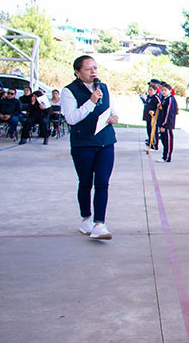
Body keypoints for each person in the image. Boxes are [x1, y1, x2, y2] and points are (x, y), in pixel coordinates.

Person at [61, 55, 119, 240]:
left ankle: (100, 224)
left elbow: (111, 107)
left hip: (106, 141)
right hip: (83, 143)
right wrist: (91, 102)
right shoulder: (68, 91)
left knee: (102, 181)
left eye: (95, 67)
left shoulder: (103, 87)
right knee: (86, 182)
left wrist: (114, 115)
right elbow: (71, 118)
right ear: (77, 73)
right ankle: (86, 218)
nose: (93, 71)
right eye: (88, 69)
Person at [157, 82, 178, 163]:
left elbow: (169, 113)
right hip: (162, 122)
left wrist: (164, 125)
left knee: (168, 141)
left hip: (167, 124)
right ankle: (164, 156)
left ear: (170, 91)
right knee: (163, 140)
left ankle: (167, 157)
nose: (163, 92)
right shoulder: (164, 99)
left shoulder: (170, 99)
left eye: (165, 90)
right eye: (162, 90)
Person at [142, 83, 161, 150]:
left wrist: (154, 111)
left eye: (151, 90)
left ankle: (155, 144)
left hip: (153, 118)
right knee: (149, 130)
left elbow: (159, 107)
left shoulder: (156, 98)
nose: (149, 91)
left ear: (155, 91)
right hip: (148, 117)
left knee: (153, 131)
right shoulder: (149, 97)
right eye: (149, 90)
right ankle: (150, 142)